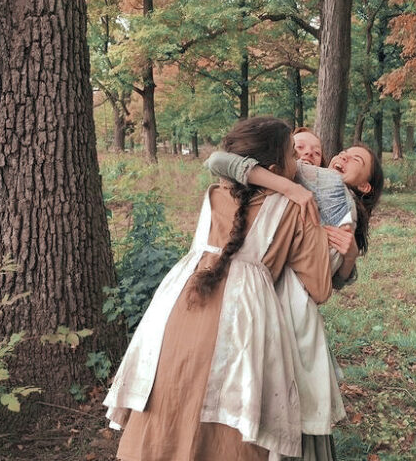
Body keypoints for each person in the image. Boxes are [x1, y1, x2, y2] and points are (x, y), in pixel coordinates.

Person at [104, 117, 334, 461]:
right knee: (233, 411)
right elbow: (319, 288)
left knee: (173, 395)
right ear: (273, 166)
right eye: (292, 153)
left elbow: (220, 162)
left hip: (180, 306)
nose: (299, 161)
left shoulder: (214, 193)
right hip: (244, 321)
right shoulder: (297, 208)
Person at [206, 135, 384, 461]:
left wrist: (349, 257)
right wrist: (289, 186)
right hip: (254, 296)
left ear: (366, 186)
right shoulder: (295, 182)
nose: (340, 157)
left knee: (289, 399)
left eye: (355, 160)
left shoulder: (340, 205)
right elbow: (218, 161)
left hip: (293, 310)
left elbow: (332, 282)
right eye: (298, 149)